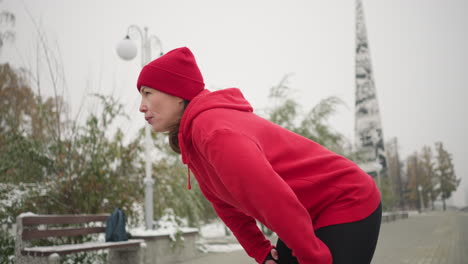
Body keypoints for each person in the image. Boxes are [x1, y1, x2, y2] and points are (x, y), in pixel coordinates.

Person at [137, 47, 381, 264]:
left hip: (344, 199)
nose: (141, 105)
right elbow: (224, 205)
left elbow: (272, 197)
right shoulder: (194, 138)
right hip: (308, 212)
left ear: (178, 93)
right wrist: (261, 251)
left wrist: (313, 258)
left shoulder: (214, 132)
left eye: (148, 93)